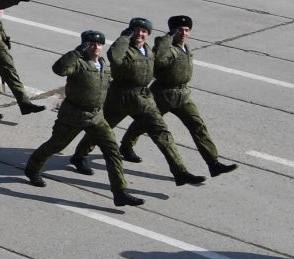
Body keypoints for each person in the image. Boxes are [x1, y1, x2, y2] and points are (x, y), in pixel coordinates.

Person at [73, 17, 204, 186]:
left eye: (144, 31)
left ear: (148, 34)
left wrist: (168, 39)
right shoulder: (124, 48)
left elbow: (160, 61)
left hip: (143, 97)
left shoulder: (147, 50)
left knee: (161, 131)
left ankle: (180, 172)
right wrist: (123, 38)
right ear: (130, 31)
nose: (140, 34)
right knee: (102, 130)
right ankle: (79, 156)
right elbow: (115, 57)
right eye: (136, 30)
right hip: (120, 97)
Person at [23, 30, 144, 208]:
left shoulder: (103, 63)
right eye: (92, 44)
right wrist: (77, 51)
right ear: (85, 45)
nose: (97, 47)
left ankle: (120, 192)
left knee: (112, 151)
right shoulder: (78, 63)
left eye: (100, 44)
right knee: (56, 145)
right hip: (73, 115)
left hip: (96, 116)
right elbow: (59, 69)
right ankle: (32, 169)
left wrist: (124, 39)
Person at [128, 15, 238, 177]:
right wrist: (166, 39)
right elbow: (159, 62)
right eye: (180, 30)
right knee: (145, 123)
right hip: (163, 93)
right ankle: (126, 145)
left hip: (183, 94)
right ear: (172, 31)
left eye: (187, 30)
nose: (184, 33)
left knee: (197, 126)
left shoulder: (186, 48)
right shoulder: (166, 47)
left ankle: (213, 163)